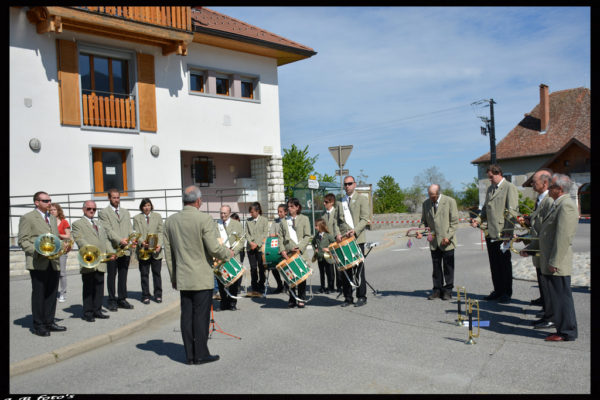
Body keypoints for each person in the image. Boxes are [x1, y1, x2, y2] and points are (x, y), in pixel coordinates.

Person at [163, 185, 233, 364]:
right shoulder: (204, 219)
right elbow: (214, 247)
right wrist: (227, 254)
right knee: (201, 317)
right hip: (201, 276)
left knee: (186, 316)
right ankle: (201, 353)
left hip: (183, 277)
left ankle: (190, 355)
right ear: (198, 201)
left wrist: (173, 276)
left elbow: (169, 254)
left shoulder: (170, 221)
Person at [522, 174, 578, 342]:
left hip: (557, 262)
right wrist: (531, 249)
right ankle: (563, 329)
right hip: (550, 259)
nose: (549, 188)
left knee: (562, 298)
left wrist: (555, 261)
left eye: (552, 186)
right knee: (556, 297)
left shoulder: (566, 205)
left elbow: (563, 237)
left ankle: (566, 331)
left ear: (559, 189)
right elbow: (545, 235)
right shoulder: (557, 204)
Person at [18, 191, 70, 336]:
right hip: (38, 261)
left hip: (53, 262)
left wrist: (63, 245)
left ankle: (49, 321)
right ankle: (39, 325)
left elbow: (54, 239)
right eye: (46, 201)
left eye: (50, 200)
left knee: (52, 293)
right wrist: (37, 250)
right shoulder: (27, 218)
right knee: (39, 294)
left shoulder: (52, 218)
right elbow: (23, 241)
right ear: (37, 202)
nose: (49, 203)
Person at [471, 164, 518, 304]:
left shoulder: (509, 187)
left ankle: (506, 292)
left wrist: (508, 233)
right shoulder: (491, 189)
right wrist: (477, 220)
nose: (490, 180)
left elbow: (512, 212)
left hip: (503, 234)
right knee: (494, 264)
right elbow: (485, 209)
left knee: (504, 264)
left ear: (499, 174)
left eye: (491, 177)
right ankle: (497, 290)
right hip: (490, 233)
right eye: (489, 177)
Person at [521, 169, 554, 328]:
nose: (532, 184)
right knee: (542, 281)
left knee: (548, 284)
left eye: (534, 181)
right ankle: (547, 311)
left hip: (544, 248)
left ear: (545, 183)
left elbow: (547, 227)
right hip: (537, 246)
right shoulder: (539, 198)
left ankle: (551, 315)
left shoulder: (549, 199)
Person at [71, 200, 114, 322]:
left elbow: (105, 240)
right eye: (89, 209)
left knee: (99, 286)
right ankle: (88, 312)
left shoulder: (98, 223)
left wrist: (111, 252)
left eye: (94, 209)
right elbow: (79, 240)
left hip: (101, 260)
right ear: (83, 209)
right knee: (88, 287)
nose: (91, 211)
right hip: (89, 259)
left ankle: (97, 310)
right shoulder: (77, 224)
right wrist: (92, 251)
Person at [418, 184, 458, 300]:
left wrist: (448, 236)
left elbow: (454, 223)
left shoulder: (450, 201)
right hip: (434, 242)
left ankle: (448, 290)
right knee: (436, 268)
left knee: (448, 268)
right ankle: (437, 289)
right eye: (430, 196)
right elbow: (423, 222)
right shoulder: (426, 204)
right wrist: (421, 231)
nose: (431, 198)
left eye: (434, 196)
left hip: (447, 241)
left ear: (438, 193)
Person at [334, 176, 370, 307]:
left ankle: (361, 296)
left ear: (354, 184)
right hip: (344, 241)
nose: (347, 186)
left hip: (357, 239)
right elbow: (336, 221)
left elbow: (365, 219)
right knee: (346, 270)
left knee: (359, 270)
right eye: (345, 184)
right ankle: (348, 297)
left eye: (349, 184)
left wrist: (354, 231)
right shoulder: (340, 202)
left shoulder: (362, 199)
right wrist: (337, 233)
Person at [98, 188, 136, 311]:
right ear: (109, 198)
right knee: (112, 275)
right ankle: (111, 300)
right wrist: (120, 240)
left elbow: (130, 228)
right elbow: (108, 230)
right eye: (114, 197)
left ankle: (122, 299)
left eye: (118, 197)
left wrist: (132, 239)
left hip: (125, 249)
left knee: (123, 275)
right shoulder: (104, 212)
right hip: (112, 248)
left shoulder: (125, 212)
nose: (116, 200)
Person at [278, 198, 312, 308]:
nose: (289, 208)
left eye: (292, 206)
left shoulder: (305, 219)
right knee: (290, 277)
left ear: (297, 207)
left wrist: (300, 247)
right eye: (288, 206)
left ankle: (301, 298)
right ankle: (292, 298)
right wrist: (282, 250)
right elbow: (280, 237)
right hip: (288, 253)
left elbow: (308, 236)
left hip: (300, 252)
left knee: (301, 276)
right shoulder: (283, 221)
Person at [133, 198, 164, 305]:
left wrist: (159, 244)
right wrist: (142, 242)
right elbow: (136, 233)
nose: (147, 207)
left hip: (156, 251)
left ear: (151, 206)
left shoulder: (157, 216)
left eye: (148, 205)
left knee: (157, 274)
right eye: (145, 206)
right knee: (144, 274)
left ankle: (158, 294)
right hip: (143, 250)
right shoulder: (137, 218)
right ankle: (145, 295)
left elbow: (161, 231)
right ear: (142, 207)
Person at [214, 205, 245, 311]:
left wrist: (234, 251)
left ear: (229, 213)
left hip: (233, 255)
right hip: (220, 257)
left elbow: (241, 240)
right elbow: (213, 240)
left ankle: (232, 302)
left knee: (233, 280)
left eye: (225, 213)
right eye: (221, 213)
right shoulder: (216, 225)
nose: (223, 215)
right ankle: (224, 302)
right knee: (221, 280)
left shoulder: (236, 224)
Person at [244, 202, 269, 297]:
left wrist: (257, 244)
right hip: (250, 247)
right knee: (253, 268)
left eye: (252, 212)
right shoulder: (248, 221)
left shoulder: (264, 220)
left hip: (260, 248)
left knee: (261, 267)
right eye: (250, 212)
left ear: (257, 211)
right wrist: (251, 243)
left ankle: (261, 284)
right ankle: (254, 286)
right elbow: (246, 233)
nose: (251, 214)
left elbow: (264, 233)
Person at [50, 203, 71, 303]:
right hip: (51, 249)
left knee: (62, 273)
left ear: (58, 211)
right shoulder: (48, 222)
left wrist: (57, 234)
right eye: (51, 210)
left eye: (54, 209)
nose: (52, 211)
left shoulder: (64, 222)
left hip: (62, 249)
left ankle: (63, 293)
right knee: (52, 272)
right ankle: (52, 293)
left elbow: (68, 236)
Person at [322, 193, 342, 293]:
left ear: (332, 202)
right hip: (327, 243)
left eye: (326, 202)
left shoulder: (336, 212)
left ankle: (340, 285)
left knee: (338, 265)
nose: (324, 203)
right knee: (329, 267)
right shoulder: (324, 214)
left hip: (335, 242)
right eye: (324, 201)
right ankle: (330, 286)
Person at [311, 218, 336, 294]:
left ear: (321, 226)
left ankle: (330, 287)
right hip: (320, 257)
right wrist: (315, 249)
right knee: (322, 273)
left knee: (330, 273)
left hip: (328, 257)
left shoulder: (328, 235)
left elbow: (334, 243)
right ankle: (322, 287)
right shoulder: (317, 235)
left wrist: (329, 249)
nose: (315, 227)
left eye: (316, 226)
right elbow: (312, 243)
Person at [267, 203, 288, 294]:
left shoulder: (288, 221)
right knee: (274, 267)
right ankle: (279, 284)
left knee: (286, 267)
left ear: (285, 212)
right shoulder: (275, 222)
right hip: (275, 248)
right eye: (278, 212)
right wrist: (277, 235)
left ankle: (287, 284)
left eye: (281, 212)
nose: (279, 213)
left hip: (286, 247)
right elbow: (271, 234)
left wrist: (277, 235)